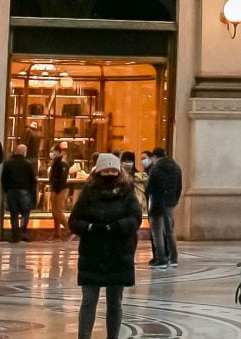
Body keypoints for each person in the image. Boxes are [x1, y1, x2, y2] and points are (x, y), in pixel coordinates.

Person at [68, 152, 142, 339]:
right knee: (88, 301)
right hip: (92, 254)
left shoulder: (127, 192)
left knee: (115, 302)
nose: (109, 173)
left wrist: (118, 227)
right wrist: (90, 227)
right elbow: (74, 221)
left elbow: (135, 218)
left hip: (119, 254)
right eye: (105, 169)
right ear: (98, 170)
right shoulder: (88, 193)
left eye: (113, 169)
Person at [143, 145, 181, 266]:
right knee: (169, 230)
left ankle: (161, 258)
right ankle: (174, 257)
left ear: (154, 156)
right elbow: (179, 186)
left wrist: (147, 195)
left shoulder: (155, 169)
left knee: (157, 232)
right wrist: (174, 200)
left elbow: (149, 187)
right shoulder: (176, 167)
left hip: (157, 202)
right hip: (169, 202)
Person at [2, 143, 38, 239]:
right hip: (24, 190)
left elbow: (3, 178)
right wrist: (31, 191)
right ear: (24, 152)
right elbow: (32, 179)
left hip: (11, 191)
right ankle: (23, 232)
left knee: (13, 213)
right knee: (25, 212)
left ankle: (15, 234)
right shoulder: (28, 164)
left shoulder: (8, 163)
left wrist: (6, 190)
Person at [47, 150, 72, 225]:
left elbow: (62, 178)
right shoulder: (55, 163)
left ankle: (69, 229)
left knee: (57, 211)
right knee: (54, 211)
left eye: (54, 151)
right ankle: (57, 232)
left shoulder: (62, 163)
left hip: (60, 189)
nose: (52, 154)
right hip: (56, 188)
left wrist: (57, 189)